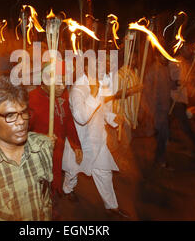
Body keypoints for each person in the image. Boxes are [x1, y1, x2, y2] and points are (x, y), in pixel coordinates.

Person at [0, 76, 54, 221]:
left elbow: (46, 199)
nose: (21, 122)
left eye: (24, 112)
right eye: (10, 115)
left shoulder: (43, 146)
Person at [62, 64, 130, 219]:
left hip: (98, 140)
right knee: (72, 171)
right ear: (87, 69)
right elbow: (81, 118)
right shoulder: (77, 90)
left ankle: (111, 206)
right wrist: (92, 94)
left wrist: (113, 118)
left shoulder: (99, 84)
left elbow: (103, 110)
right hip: (80, 142)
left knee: (104, 173)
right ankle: (68, 189)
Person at [28, 62, 83, 218]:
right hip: (38, 157)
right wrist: (41, 139)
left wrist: (76, 145)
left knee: (54, 185)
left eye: (64, 82)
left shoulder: (62, 96)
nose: (62, 87)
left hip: (56, 154)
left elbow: (68, 122)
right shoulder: (32, 100)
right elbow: (22, 133)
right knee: (39, 189)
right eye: (58, 83)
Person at [143, 52, 173, 170]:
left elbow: (168, 85)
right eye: (163, 55)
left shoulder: (165, 69)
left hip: (165, 108)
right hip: (158, 109)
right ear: (156, 56)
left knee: (162, 136)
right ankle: (160, 160)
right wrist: (151, 110)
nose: (165, 57)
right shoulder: (152, 70)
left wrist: (176, 84)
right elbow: (147, 91)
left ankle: (158, 158)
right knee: (163, 135)